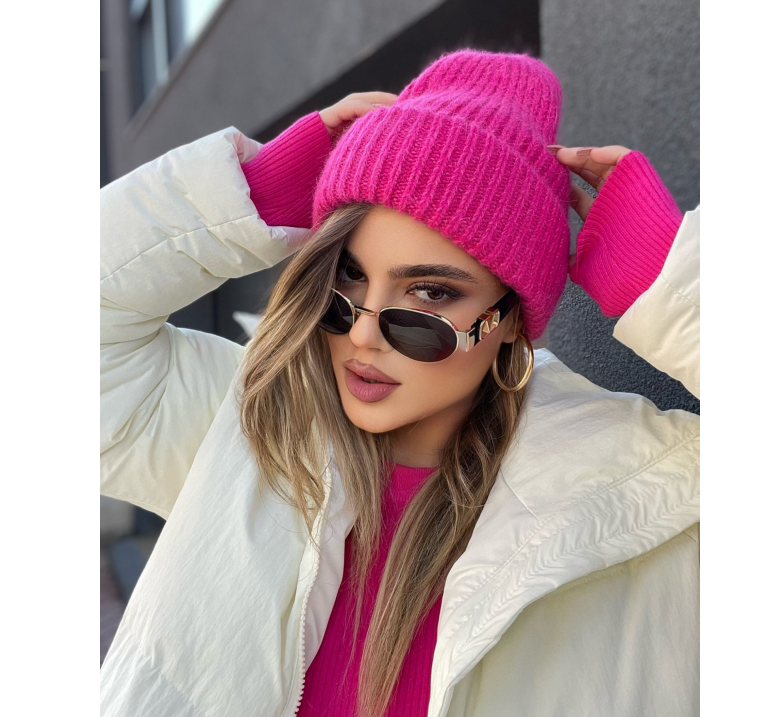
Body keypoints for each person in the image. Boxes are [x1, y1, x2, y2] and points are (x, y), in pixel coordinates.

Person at [100, 48, 699, 717]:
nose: (362, 335)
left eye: (430, 294)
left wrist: (671, 283)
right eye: (346, 277)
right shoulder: (251, 424)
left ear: (508, 322)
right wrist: (251, 196)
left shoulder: (651, 500)